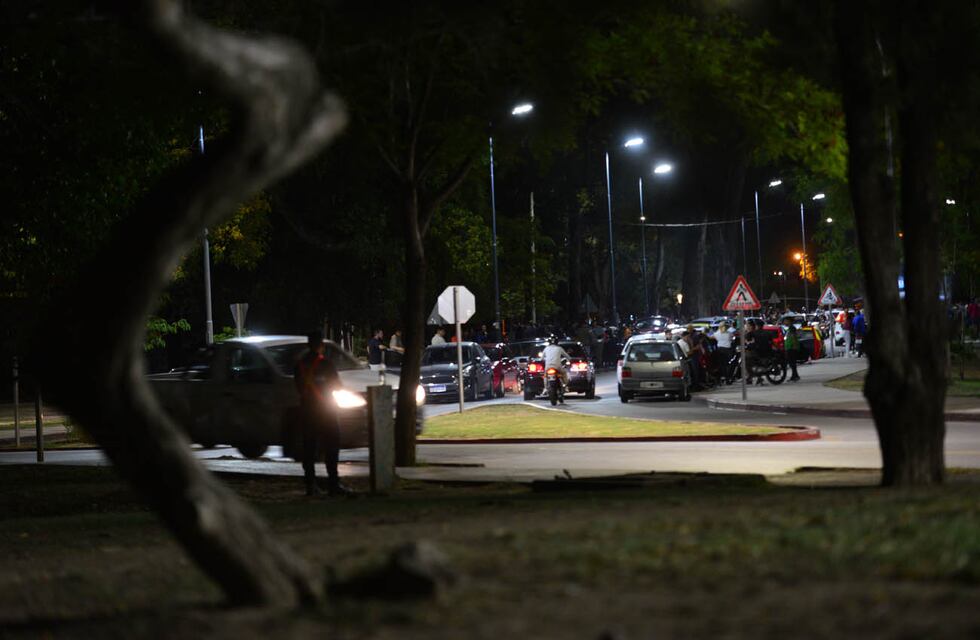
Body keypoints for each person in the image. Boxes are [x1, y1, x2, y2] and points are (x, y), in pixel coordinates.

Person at [294, 332, 350, 497]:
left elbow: (298, 387)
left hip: (307, 410)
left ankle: (310, 485)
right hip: (326, 410)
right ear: (321, 346)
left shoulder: (300, 365)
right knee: (332, 446)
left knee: (309, 449)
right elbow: (337, 385)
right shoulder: (326, 364)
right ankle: (333, 483)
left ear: (308, 345)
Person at [542, 335, 571, 402]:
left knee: (545, 376)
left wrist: (546, 360)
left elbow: (542, 358)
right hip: (557, 366)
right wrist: (569, 359)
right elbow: (567, 356)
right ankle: (565, 386)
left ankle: (545, 388)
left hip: (548, 366)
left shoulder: (546, 348)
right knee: (564, 373)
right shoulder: (559, 348)